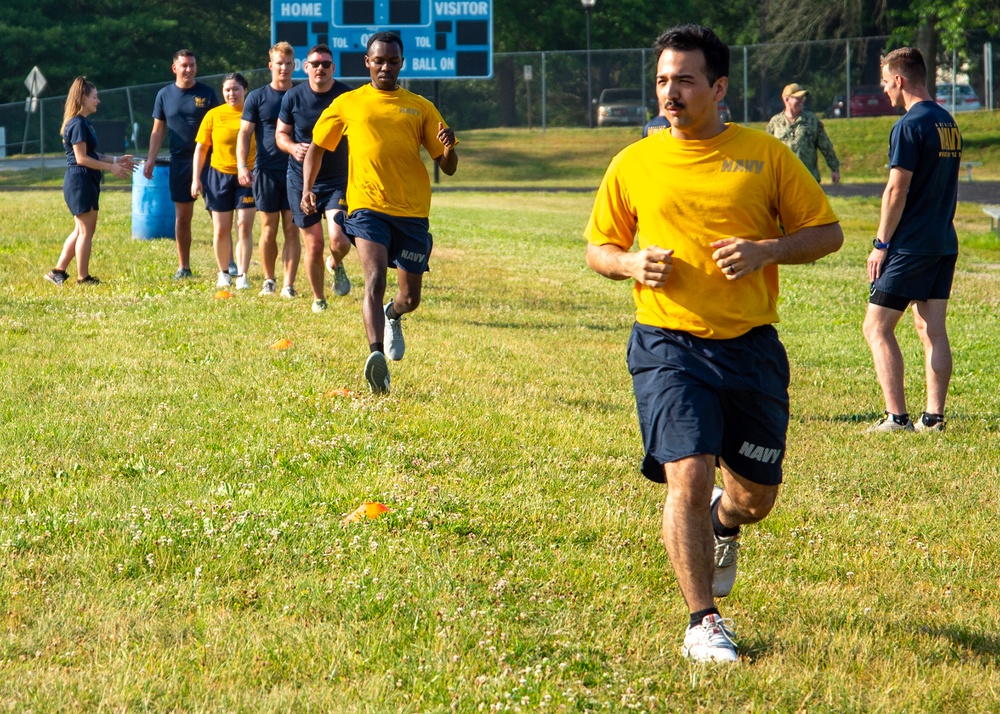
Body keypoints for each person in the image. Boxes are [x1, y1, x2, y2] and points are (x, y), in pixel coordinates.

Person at [584, 24, 843, 663]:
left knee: (754, 498)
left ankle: (726, 522)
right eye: (663, 80)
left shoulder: (765, 155)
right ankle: (703, 621)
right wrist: (629, 265)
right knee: (688, 477)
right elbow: (599, 248)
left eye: (685, 80)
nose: (671, 93)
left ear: (719, 86)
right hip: (667, 345)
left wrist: (769, 250)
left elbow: (828, 232)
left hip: (749, 348)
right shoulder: (634, 161)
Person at [303, 31, 459, 395]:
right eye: (379, 60)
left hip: (412, 212)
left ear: (401, 63)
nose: (385, 66)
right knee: (373, 279)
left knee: (410, 298)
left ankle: (394, 315)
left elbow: (447, 166)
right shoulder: (349, 103)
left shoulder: (419, 106)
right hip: (367, 207)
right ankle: (376, 359)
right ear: (367, 63)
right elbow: (316, 147)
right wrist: (307, 188)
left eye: (392, 61)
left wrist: (449, 149)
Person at [863, 47, 961, 433]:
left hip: (910, 245)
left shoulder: (908, 125)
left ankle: (896, 417)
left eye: (886, 82)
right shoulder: (947, 122)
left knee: (876, 327)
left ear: (900, 80)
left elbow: (896, 190)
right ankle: (933, 418)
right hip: (943, 241)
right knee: (931, 329)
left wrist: (881, 243)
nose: (886, 91)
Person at [275, 43, 353, 311]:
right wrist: (292, 147)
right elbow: (281, 135)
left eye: (325, 64)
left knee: (339, 240)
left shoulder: (346, 96)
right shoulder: (293, 97)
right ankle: (319, 299)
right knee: (314, 243)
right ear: (305, 67)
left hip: (336, 180)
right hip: (300, 179)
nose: (320, 68)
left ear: (333, 68)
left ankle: (336, 264)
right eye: (315, 64)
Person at [45, 77, 134, 286]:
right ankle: (82, 278)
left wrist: (116, 160)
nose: (98, 101)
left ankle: (57, 272)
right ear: (83, 98)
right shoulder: (76, 123)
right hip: (79, 180)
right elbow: (81, 158)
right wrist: (111, 168)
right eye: (95, 97)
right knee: (85, 231)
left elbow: (93, 154)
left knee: (82, 230)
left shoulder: (84, 123)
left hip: (87, 179)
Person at [145, 49, 220, 279]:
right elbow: (158, 130)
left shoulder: (207, 93)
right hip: (180, 163)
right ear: (175, 68)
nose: (189, 69)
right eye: (184, 65)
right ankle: (184, 267)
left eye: (192, 65)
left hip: (209, 162)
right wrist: (150, 159)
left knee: (217, 214)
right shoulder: (164, 95)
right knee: (183, 217)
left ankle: (228, 264)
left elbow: (219, 126)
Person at [238, 42, 299, 297]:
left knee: (292, 229)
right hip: (266, 171)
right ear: (270, 65)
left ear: (294, 66)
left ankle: (288, 285)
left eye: (288, 63)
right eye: (279, 63)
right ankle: (269, 280)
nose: (283, 68)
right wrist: (243, 165)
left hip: (296, 171)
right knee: (268, 228)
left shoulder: (302, 95)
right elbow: (244, 133)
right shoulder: (257, 97)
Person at [192, 72, 257, 290]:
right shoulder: (213, 115)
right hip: (218, 175)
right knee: (221, 228)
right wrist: (195, 179)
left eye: (236, 89)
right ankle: (223, 273)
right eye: (227, 90)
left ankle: (243, 275)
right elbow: (201, 148)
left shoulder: (253, 112)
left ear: (244, 90)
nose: (231, 94)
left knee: (243, 226)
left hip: (247, 176)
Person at [766, 83, 841, 184]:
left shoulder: (811, 120)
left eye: (803, 98)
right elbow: (766, 150)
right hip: (783, 180)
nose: (802, 101)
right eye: (798, 98)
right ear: (787, 99)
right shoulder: (775, 122)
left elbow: (825, 145)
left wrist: (834, 169)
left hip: (808, 179)